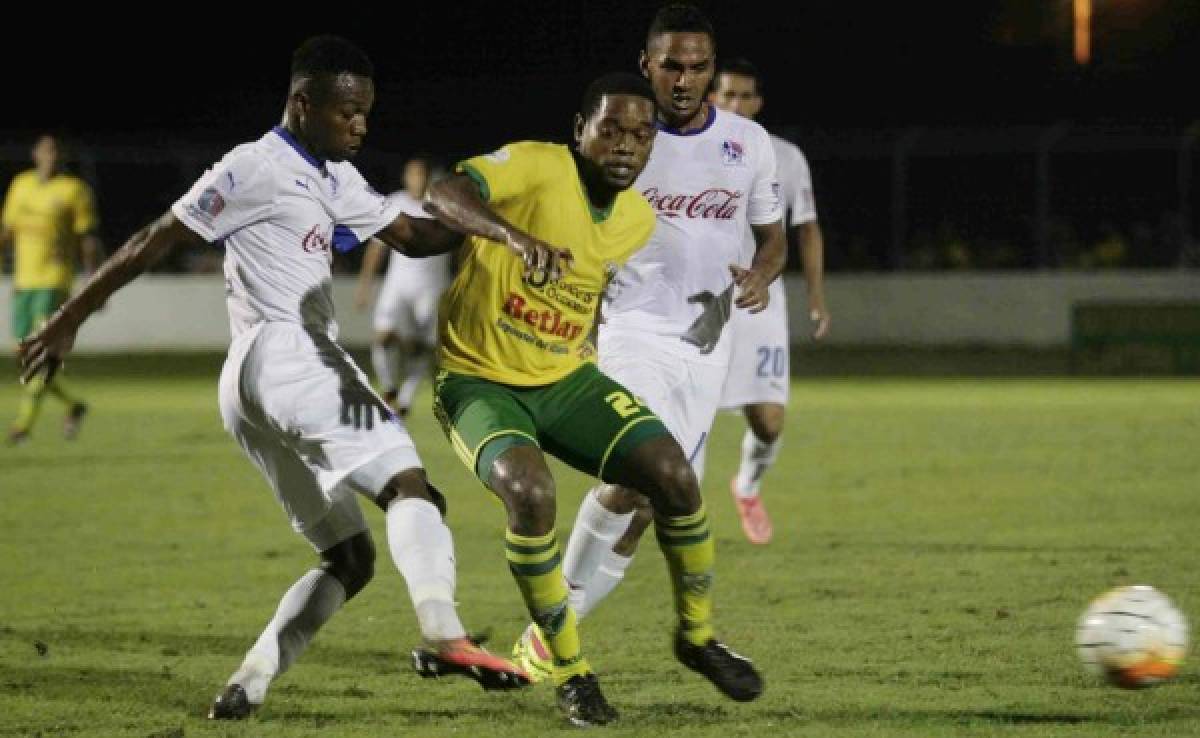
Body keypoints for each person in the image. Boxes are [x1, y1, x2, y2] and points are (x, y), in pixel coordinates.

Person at [17, 35, 528, 721]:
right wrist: (70, 316)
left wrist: (498, 218)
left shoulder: (334, 174)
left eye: (366, 113)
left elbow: (415, 235)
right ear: (302, 103)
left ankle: (248, 681)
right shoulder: (255, 164)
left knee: (349, 558)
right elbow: (155, 238)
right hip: (286, 352)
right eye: (347, 112)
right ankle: (444, 634)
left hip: (249, 388)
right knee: (412, 488)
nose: (360, 125)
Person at [423, 70, 762, 727]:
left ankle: (696, 636)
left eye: (642, 134)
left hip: (563, 379)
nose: (627, 144)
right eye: (611, 129)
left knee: (672, 475)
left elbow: (600, 290)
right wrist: (512, 237)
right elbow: (445, 192)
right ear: (580, 132)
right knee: (531, 493)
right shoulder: (536, 164)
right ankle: (570, 670)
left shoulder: (635, 219)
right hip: (478, 380)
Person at [515, 2, 786, 681]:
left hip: (707, 349)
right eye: (672, 66)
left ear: (713, 70)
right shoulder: (623, 138)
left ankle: (550, 637)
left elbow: (772, 232)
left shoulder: (749, 144)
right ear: (648, 65)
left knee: (649, 507)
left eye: (698, 67)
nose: (685, 79)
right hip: (631, 332)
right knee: (631, 479)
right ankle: (549, 639)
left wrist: (760, 274)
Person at [708, 57, 831, 544]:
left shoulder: (785, 156)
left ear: (758, 103)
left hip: (761, 300)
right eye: (726, 94)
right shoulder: (690, 151)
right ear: (712, 97)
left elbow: (807, 229)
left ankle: (747, 486)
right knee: (682, 416)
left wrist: (816, 296)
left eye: (744, 96)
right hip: (698, 301)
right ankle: (665, 509)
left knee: (769, 420)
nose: (735, 104)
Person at [2, 133, 101, 445]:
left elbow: (87, 237)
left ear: (63, 156)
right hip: (23, 282)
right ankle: (73, 406)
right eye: (45, 151)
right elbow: (8, 230)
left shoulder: (74, 190)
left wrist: (92, 279)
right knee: (24, 356)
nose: (50, 156)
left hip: (54, 281)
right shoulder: (20, 185)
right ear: (35, 154)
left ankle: (22, 427)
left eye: (56, 151)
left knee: (41, 355)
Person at [355, 155, 451, 417]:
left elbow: (460, 251)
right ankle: (388, 388)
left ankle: (406, 399)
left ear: (429, 177)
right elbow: (376, 250)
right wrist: (365, 285)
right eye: (413, 174)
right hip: (397, 286)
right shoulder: (395, 203)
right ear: (405, 177)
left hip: (432, 289)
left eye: (422, 174)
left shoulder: (443, 207)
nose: (417, 180)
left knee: (421, 346)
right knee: (383, 337)